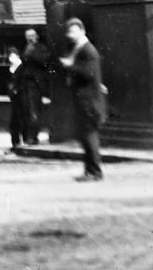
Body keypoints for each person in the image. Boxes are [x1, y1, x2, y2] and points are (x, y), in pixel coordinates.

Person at [59, 18, 105, 182]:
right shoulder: (80, 49)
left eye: (73, 31)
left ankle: (95, 173)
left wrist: (70, 65)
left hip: (89, 102)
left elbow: (89, 74)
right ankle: (89, 171)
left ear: (82, 31)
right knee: (85, 136)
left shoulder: (87, 50)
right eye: (68, 32)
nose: (69, 35)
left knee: (89, 136)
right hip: (84, 101)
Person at [20, 28, 50, 144]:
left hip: (35, 84)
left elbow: (44, 62)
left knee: (34, 111)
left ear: (36, 36)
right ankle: (28, 136)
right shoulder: (26, 48)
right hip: (25, 83)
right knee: (27, 111)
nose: (30, 38)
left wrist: (31, 53)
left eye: (32, 35)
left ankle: (32, 137)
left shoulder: (41, 48)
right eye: (27, 36)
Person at [6, 47, 24, 150]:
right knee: (14, 120)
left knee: (21, 119)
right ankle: (15, 142)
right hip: (14, 98)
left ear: (17, 55)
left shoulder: (21, 67)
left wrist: (16, 89)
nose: (10, 58)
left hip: (22, 97)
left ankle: (23, 141)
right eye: (9, 56)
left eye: (12, 55)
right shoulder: (11, 68)